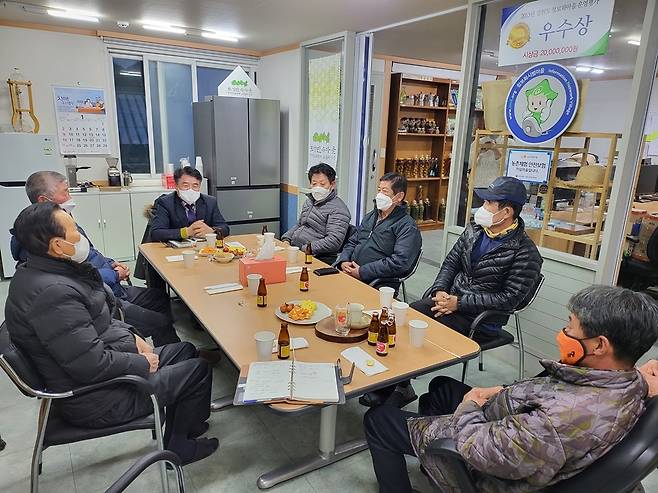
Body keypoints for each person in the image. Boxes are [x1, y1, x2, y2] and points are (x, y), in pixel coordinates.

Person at [364, 285, 658, 493]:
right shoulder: (629, 380)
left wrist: (469, 405)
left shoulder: (558, 420)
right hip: (510, 420)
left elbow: (482, 451)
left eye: (571, 326)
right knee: (441, 387)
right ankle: (428, 455)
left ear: (599, 345)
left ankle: (423, 468)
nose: (563, 333)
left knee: (378, 420)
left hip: (485, 462)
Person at [5, 202, 219, 464]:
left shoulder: (42, 271)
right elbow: (89, 365)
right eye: (74, 231)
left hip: (95, 372)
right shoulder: (53, 294)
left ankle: (185, 429)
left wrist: (132, 337)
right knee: (197, 370)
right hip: (95, 397)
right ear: (58, 246)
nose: (81, 237)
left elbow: (99, 320)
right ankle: (180, 449)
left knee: (184, 350)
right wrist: (140, 362)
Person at [361, 176, 542, 408]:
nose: (482, 208)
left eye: (488, 204)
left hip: (480, 319)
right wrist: (439, 290)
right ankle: (399, 385)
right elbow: (450, 264)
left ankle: (392, 386)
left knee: (421, 335)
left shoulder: (525, 253)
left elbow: (510, 299)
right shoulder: (475, 231)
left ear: (506, 212)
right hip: (448, 302)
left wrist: (461, 303)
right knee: (402, 317)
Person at [10, 171, 178, 347]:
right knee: (160, 322)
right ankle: (165, 356)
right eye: (65, 192)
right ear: (44, 201)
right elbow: (73, 279)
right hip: (100, 298)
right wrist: (113, 274)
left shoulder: (60, 221)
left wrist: (111, 262)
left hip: (109, 286)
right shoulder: (41, 242)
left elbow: (90, 251)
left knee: (159, 298)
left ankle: (165, 348)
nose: (70, 197)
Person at [334, 173, 421, 291]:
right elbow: (353, 242)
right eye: (379, 190)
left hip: (378, 281)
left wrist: (362, 271)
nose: (379, 195)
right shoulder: (371, 216)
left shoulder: (407, 226)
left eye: (385, 191)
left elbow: (400, 262)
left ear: (399, 196)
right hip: (350, 272)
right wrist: (344, 261)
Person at [281, 163, 351, 264]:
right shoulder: (309, 201)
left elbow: (334, 241)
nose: (318, 187)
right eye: (314, 184)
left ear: (332, 184)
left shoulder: (339, 209)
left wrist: (306, 248)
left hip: (315, 256)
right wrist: (286, 239)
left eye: (322, 184)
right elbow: (300, 224)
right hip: (296, 249)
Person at [150, 166, 229, 241]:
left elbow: (225, 228)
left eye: (195, 186)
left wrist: (211, 231)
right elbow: (156, 233)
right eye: (185, 185)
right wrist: (186, 232)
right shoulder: (165, 203)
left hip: (204, 249)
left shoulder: (210, 202)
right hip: (176, 251)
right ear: (176, 186)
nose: (190, 190)